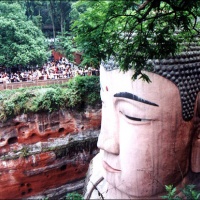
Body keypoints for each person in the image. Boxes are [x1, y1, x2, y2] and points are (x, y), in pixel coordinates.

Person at [84, 45, 200, 199]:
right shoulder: (97, 173)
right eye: (103, 103)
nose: (103, 143)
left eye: (133, 116)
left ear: (196, 132)